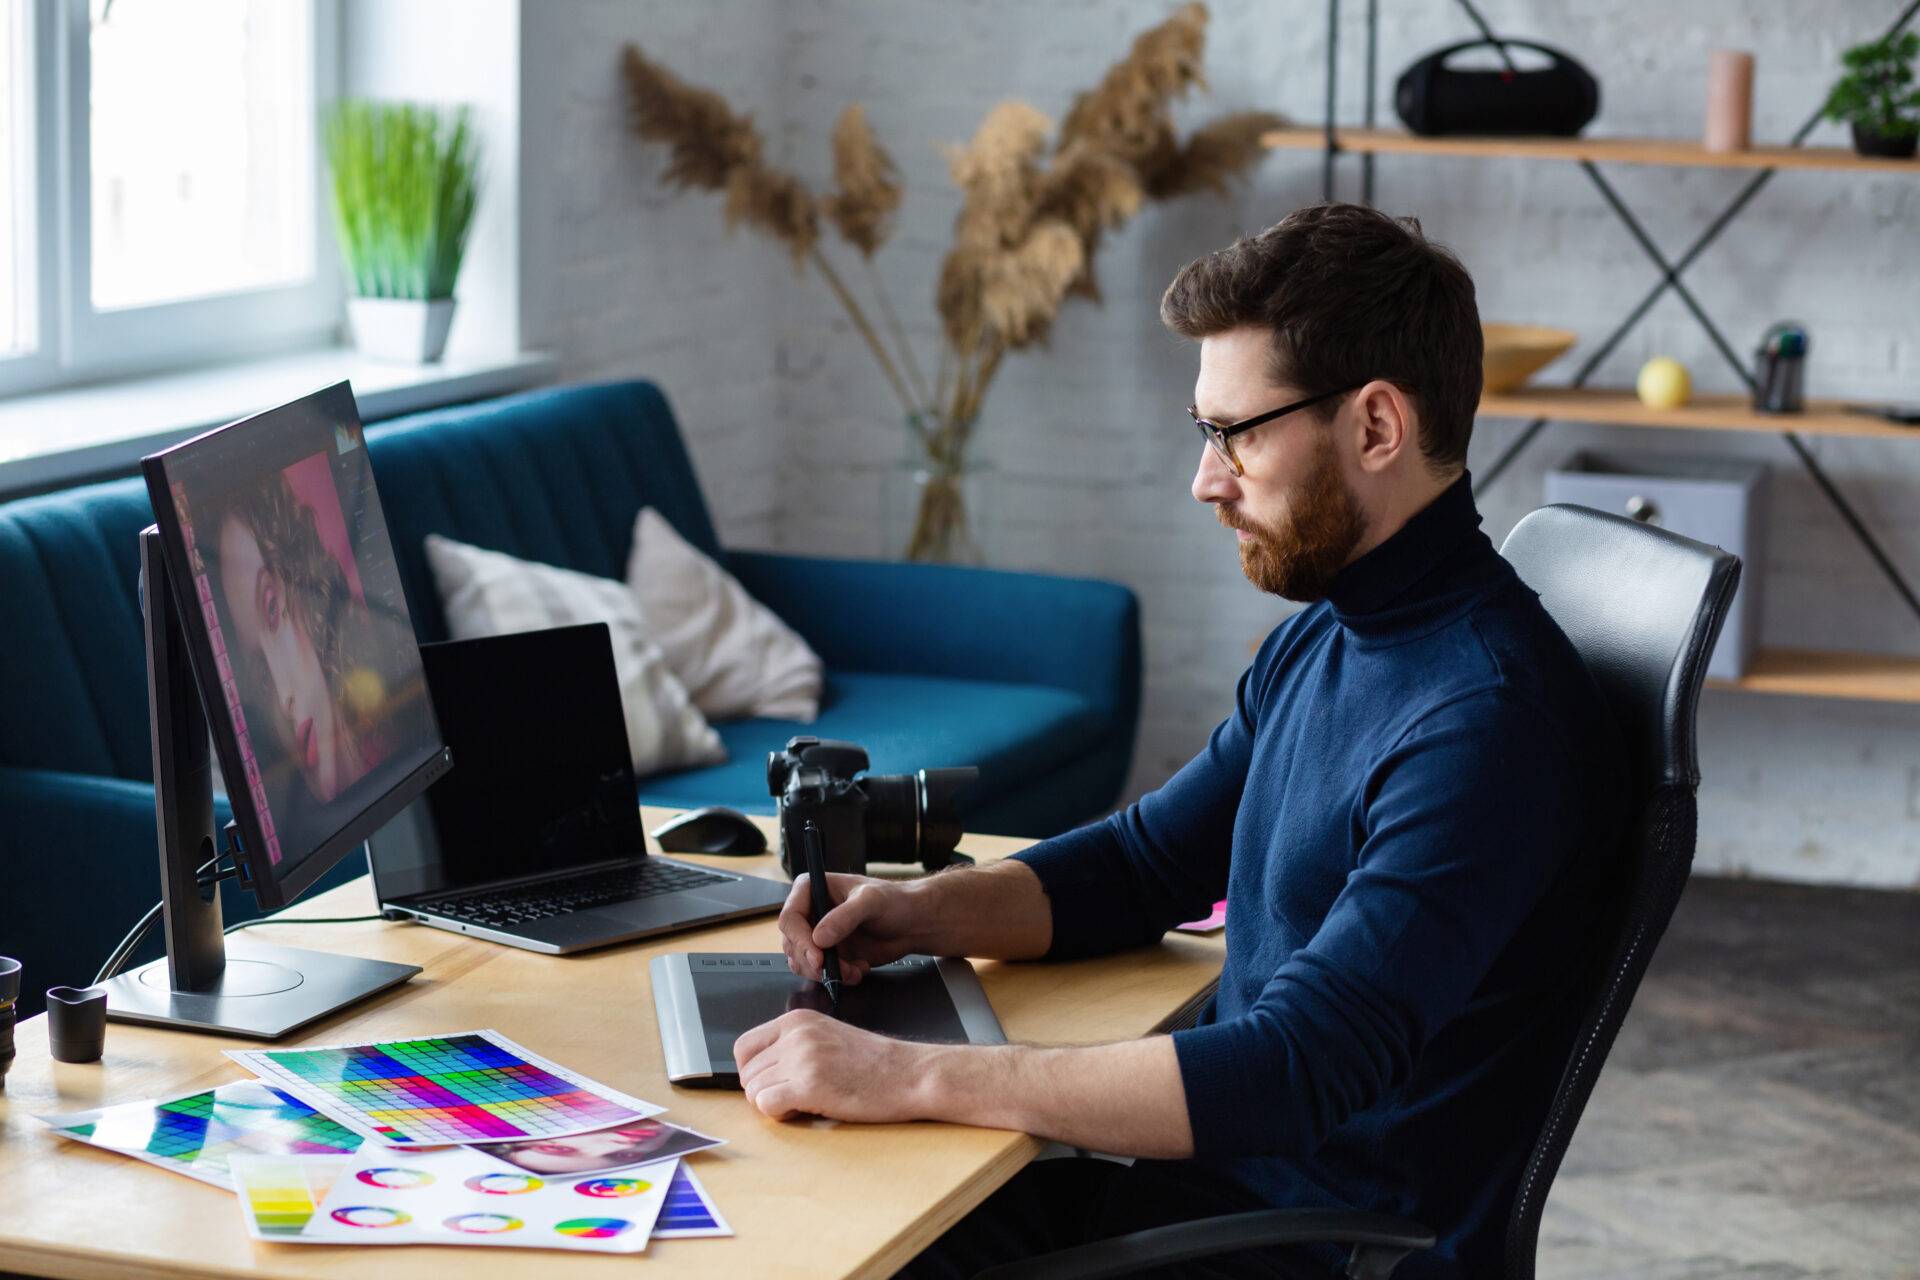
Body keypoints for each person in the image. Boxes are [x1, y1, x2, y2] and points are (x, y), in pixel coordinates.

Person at [731, 203, 1628, 1279]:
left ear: (1376, 427)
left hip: (1309, 1252)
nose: (1206, 479)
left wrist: (910, 1073)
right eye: (1205, 431)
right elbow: (1145, 863)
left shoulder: (1486, 723)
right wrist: (918, 913)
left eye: (1237, 433)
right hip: (1204, 1200)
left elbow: (1295, 1069)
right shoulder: (1327, 636)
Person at [203, 466, 390, 807]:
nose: (284, 700)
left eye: (272, 610)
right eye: (260, 670)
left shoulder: (398, 737)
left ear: (308, 590)